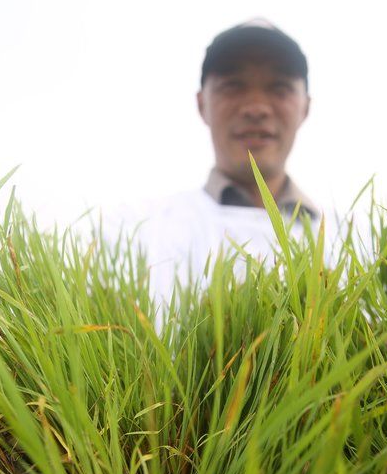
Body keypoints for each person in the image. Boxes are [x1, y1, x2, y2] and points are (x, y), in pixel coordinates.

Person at [107, 19, 319, 304]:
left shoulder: (356, 240)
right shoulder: (138, 230)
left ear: (305, 107)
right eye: (233, 86)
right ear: (201, 104)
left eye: (279, 88)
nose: (255, 108)